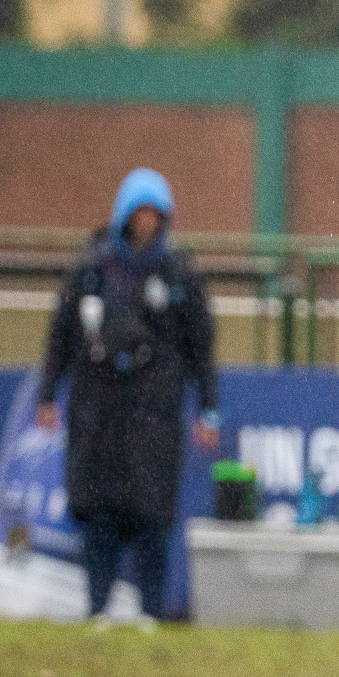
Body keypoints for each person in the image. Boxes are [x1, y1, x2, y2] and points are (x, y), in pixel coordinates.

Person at [37, 168, 219, 628]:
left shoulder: (179, 273)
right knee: (97, 508)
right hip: (97, 405)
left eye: (154, 215)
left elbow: (201, 346)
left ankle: (150, 612)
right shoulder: (90, 271)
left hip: (154, 408)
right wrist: (47, 394)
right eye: (138, 214)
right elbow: (60, 336)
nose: (146, 224)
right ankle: (98, 607)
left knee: (151, 511)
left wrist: (208, 409)